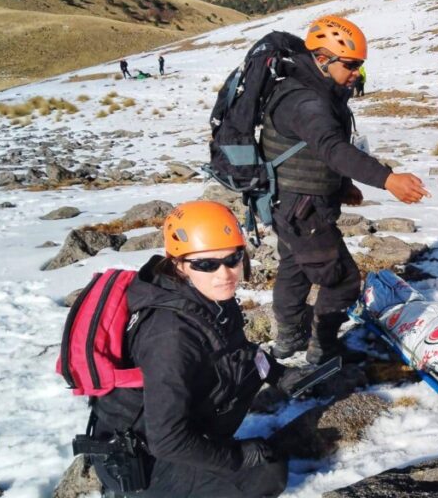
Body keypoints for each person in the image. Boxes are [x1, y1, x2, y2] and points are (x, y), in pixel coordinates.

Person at [89, 201, 324, 497]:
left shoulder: (203, 296)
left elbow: (238, 350)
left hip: (163, 435)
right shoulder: (170, 336)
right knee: (267, 472)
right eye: (206, 264)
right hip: (141, 462)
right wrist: (238, 457)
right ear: (178, 263)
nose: (224, 273)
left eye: (233, 259)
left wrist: (279, 375)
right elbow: (167, 440)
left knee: (246, 367)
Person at [264, 15, 430, 362]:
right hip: (303, 207)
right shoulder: (307, 102)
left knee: (293, 268)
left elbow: (314, 150)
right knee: (342, 281)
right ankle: (322, 349)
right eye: (351, 65)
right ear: (322, 59)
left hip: (290, 202)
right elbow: (332, 148)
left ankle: (289, 338)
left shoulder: (304, 87)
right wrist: (388, 179)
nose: (356, 74)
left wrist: (342, 185)